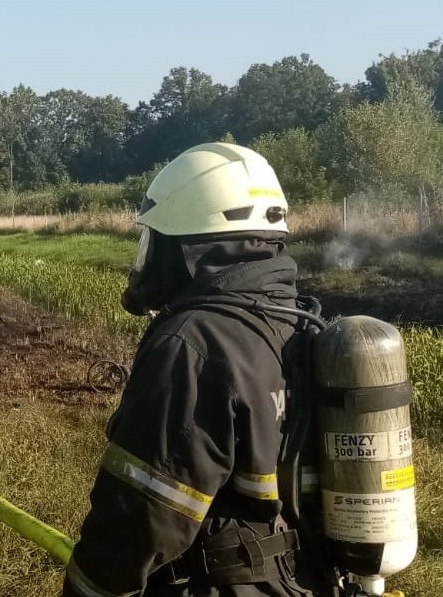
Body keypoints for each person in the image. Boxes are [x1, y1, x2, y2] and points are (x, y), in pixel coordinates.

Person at [64, 142, 323, 597]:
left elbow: (138, 522)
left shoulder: (193, 345)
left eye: (154, 237)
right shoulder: (296, 320)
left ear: (185, 245)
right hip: (300, 579)